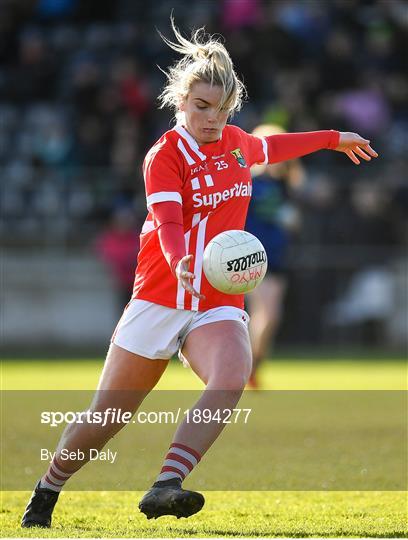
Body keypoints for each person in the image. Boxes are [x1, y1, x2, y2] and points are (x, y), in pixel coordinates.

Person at [21, 19, 378, 527]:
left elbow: (273, 148)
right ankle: (46, 492)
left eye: (222, 108)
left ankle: (167, 483)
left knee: (232, 375)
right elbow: (167, 222)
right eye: (201, 106)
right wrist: (180, 260)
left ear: (233, 109)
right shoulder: (164, 156)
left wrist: (331, 139)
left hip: (216, 301)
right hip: (161, 294)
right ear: (180, 102)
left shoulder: (237, 143)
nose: (211, 118)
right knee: (108, 418)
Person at [246, 124, 305, 388]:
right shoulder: (251, 181)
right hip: (253, 256)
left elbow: (293, 219)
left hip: (278, 256)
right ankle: (246, 366)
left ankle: (252, 366)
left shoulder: (283, 184)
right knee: (266, 314)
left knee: (273, 316)